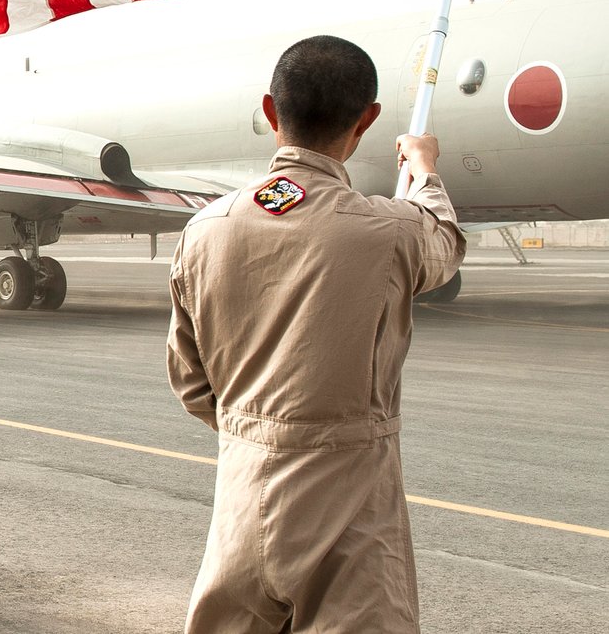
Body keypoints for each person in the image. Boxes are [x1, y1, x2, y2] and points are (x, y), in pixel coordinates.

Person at [166, 35, 465, 633]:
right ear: (368, 120)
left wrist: (257, 428)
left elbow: (189, 379)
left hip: (243, 498)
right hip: (351, 509)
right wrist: (424, 170)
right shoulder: (390, 229)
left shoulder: (205, 229)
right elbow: (444, 244)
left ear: (271, 112)